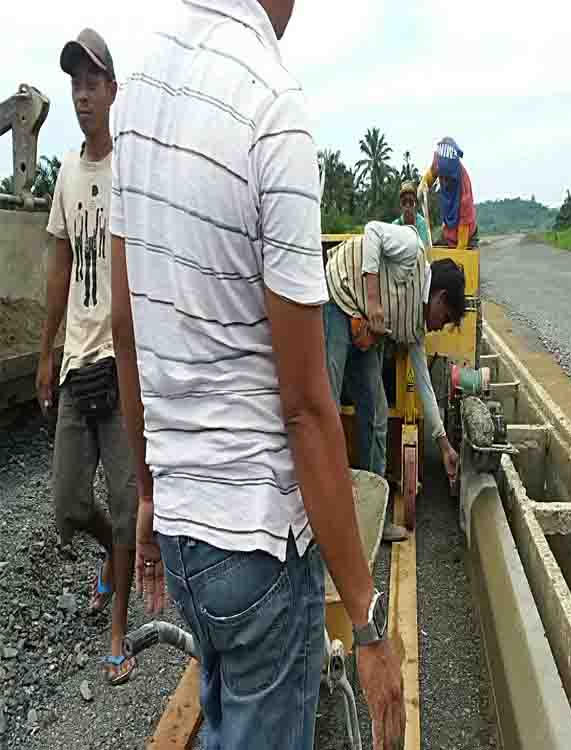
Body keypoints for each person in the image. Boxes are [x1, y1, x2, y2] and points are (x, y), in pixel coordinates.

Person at [108, 2, 404, 749]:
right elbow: (307, 406)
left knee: (225, 717)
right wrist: (367, 624)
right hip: (257, 541)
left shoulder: (137, 92)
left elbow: (127, 328)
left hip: (183, 532)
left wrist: (149, 490)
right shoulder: (271, 104)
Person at [35, 28, 137, 686]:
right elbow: (61, 263)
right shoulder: (69, 174)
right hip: (77, 364)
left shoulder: (131, 168)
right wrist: (45, 352)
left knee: (129, 506)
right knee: (69, 505)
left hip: (124, 369)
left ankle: (120, 629)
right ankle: (111, 558)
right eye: (74, 86)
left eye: (91, 84)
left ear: (112, 91)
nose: (81, 96)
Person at [324, 221, 462, 542]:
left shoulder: (414, 330)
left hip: (367, 329)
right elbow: (372, 231)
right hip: (338, 297)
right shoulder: (412, 251)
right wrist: (372, 301)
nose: (439, 327)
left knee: (376, 414)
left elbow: (424, 385)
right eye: (444, 319)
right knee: (326, 405)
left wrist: (443, 446)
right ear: (440, 298)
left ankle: (372, 521)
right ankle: (322, 518)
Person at [417, 137, 478, 248]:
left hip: (466, 235)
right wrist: (422, 186)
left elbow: (461, 247)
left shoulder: (464, 194)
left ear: (453, 175)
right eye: (442, 177)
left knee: (466, 264)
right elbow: (431, 174)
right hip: (448, 230)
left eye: (448, 178)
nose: (444, 181)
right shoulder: (438, 163)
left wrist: (456, 259)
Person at [392, 180, 430, 249]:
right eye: (404, 202)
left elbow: (423, 248)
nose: (407, 206)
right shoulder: (395, 225)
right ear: (400, 205)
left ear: (415, 204)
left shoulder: (421, 224)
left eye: (411, 202)